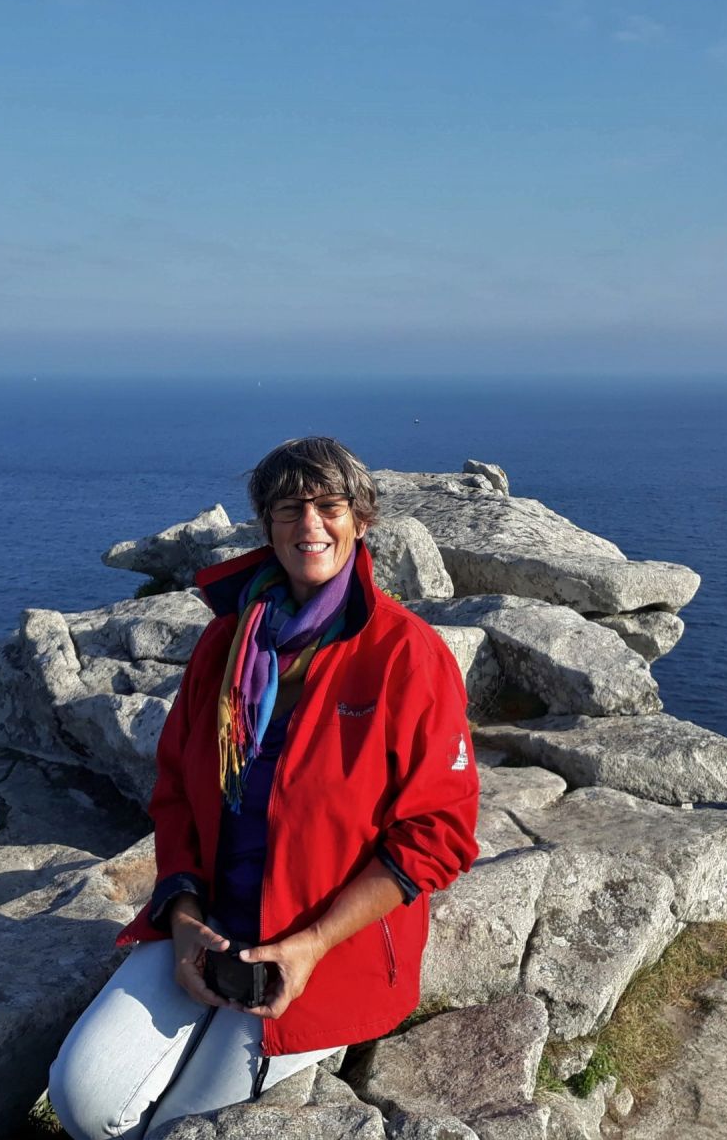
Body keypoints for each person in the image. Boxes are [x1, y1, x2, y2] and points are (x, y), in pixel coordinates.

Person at [48, 436, 479, 1139]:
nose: (310, 524)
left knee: (181, 1130)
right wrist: (183, 915)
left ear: (361, 520)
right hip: (211, 922)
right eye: (290, 508)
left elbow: (440, 834)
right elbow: (178, 791)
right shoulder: (227, 643)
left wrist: (310, 944)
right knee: (80, 1098)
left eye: (329, 506)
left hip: (323, 946)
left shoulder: (405, 653)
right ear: (268, 525)